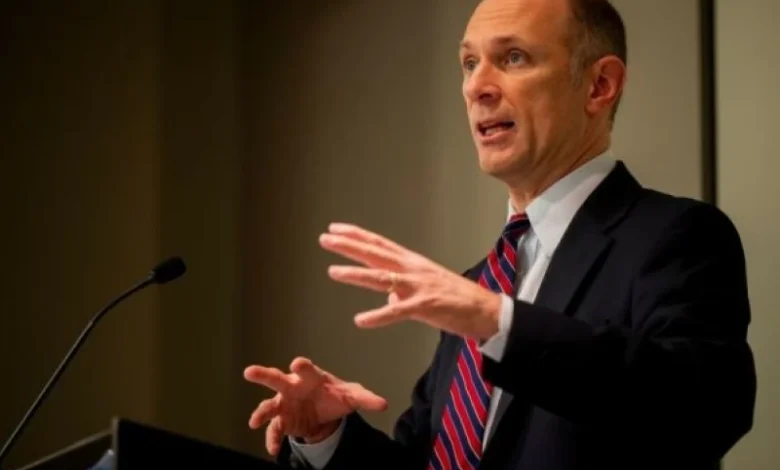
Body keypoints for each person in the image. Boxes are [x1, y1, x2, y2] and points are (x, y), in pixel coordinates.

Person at [243, 0, 757, 468]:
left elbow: (704, 408)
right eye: (470, 63)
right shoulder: (480, 285)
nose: (477, 87)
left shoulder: (675, 236)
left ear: (599, 85)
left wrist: (497, 322)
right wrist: (326, 436)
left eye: (513, 58)